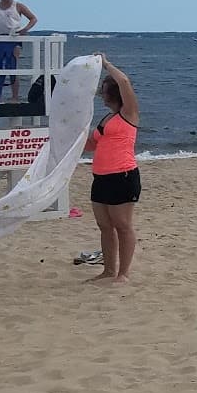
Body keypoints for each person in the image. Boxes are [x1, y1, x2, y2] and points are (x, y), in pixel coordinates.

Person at [84, 55, 140, 284]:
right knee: (104, 225)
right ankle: (108, 270)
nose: (101, 94)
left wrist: (106, 65)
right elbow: (92, 144)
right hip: (101, 177)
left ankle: (123, 273)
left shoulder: (129, 113)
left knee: (122, 225)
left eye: (104, 90)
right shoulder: (107, 117)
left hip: (123, 176)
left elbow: (125, 82)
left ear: (113, 93)